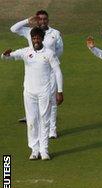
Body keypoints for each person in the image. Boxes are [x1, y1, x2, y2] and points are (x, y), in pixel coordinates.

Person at [1, 27, 63, 160]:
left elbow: (58, 72)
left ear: (42, 39)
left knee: (44, 120)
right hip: (29, 93)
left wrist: (60, 91)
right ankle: (34, 150)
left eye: (38, 38)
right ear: (32, 39)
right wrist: (4, 55)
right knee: (32, 121)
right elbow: (9, 57)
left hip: (44, 92)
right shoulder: (26, 52)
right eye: (33, 38)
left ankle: (44, 150)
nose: (36, 40)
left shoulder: (49, 53)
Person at [10, 10, 63, 139]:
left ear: (48, 19)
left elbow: (59, 50)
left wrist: (49, 61)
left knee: (52, 100)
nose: (43, 21)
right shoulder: (30, 31)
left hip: (50, 70)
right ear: (37, 20)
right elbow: (13, 29)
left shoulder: (55, 33)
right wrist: (28, 20)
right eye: (40, 19)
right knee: (35, 96)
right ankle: (36, 123)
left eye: (45, 19)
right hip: (34, 69)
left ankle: (52, 129)